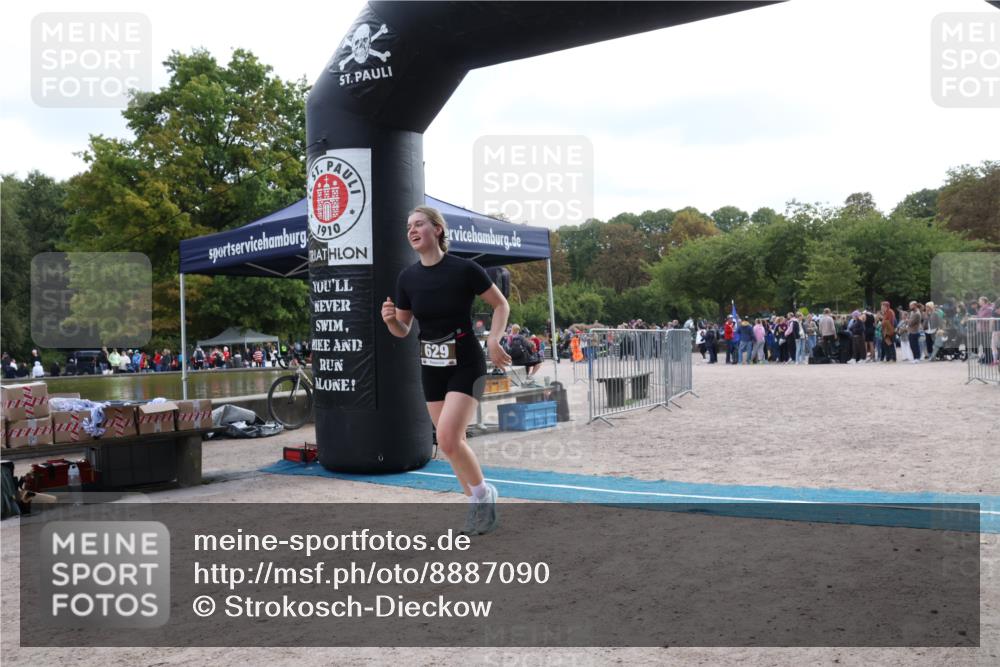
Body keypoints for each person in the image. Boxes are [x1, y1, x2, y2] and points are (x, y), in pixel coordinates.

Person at [381, 205, 511, 536]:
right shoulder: (407, 278)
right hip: (431, 366)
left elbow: (501, 304)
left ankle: (484, 494)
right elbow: (403, 329)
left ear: (437, 230)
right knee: (452, 444)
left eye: (419, 224)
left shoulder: (465, 269)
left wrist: (494, 339)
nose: (411, 230)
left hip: (466, 361)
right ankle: (475, 501)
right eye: (408, 225)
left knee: (447, 438)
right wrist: (391, 320)